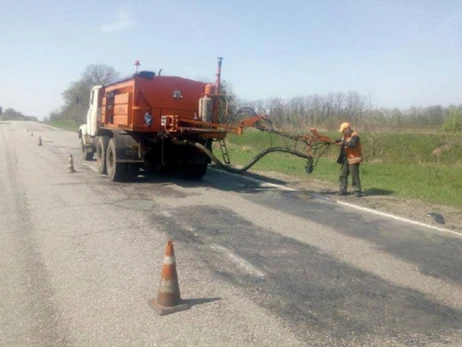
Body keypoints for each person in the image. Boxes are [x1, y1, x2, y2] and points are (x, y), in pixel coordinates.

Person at [335, 122, 363, 197]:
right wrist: (337, 142)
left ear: (347, 129)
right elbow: (343, 143)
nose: (342, 132)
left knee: (354, 175)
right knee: (343, 175)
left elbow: (352, 144)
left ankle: (357, 191)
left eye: (343, 130)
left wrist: (343, 142)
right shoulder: (344, 136)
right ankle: (343, 190)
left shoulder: (355, 136)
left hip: (354, 158)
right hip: (346, 158)